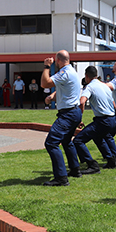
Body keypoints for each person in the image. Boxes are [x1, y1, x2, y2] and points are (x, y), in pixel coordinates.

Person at [40, 50, 85, 186]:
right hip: (74, 112)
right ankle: (75, 169)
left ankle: (61, 178)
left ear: (57, 60)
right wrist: (52, 97)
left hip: (68, 114)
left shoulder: (64, 72)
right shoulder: (72, 71)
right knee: (66, 141)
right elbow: (64, 88)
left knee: (51, 143)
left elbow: (45, 83)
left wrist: (47, 66)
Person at [72, 65, 115, 174]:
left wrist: (79, 119)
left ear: (86, 76)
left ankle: (92, 165)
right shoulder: (105, 85)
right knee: (98, 137)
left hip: (102, 120)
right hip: (112, 119)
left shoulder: (89, 87)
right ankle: (111, 161)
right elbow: (114, 104)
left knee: (78, 140)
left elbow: (82, 102)